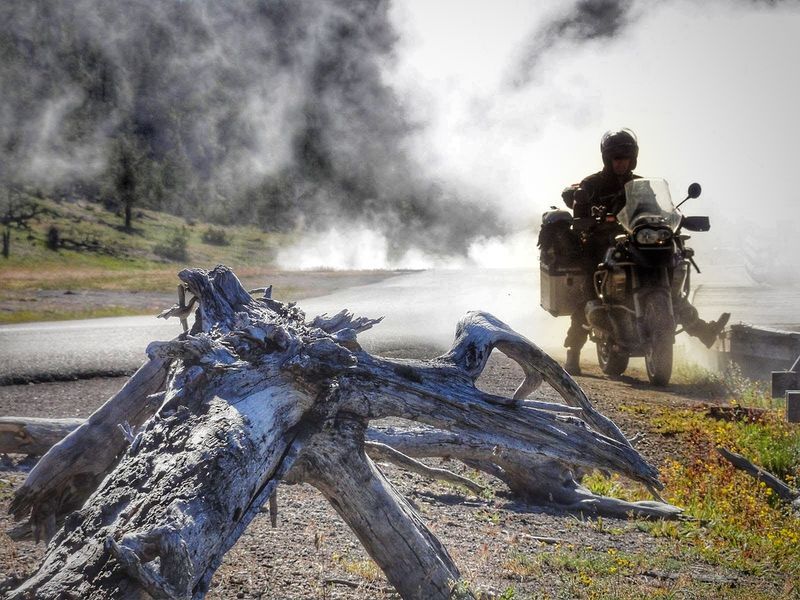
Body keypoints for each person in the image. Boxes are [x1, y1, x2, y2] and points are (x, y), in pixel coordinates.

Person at [561, 128, 730, 375]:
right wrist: (587, 220)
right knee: (588, 292)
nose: (621, 162)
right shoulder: (592, 184)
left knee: (671, 288)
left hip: (636, 244)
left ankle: (702, 330)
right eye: (616, 157)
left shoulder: (641, 185)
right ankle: (573, 352)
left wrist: (677, 219)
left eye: (625, 158)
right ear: (608, 159)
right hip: (602, 246)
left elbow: (660, 211)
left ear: (633, 158)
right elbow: (579, 215)